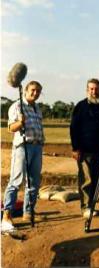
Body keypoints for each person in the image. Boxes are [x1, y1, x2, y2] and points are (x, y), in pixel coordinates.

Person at [2, 81, 45, 230]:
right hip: (22, 147)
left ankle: (28, 212)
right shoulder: (17, 106)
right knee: (16, 181)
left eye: (38, 91)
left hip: (37, 147)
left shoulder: (37, 108)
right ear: (26, 90)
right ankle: (7, 215)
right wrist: (20, 122)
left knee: (33, 183)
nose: (35, 93)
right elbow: (10, 128)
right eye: (33, 90)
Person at [70, 78, 99, 219]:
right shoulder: (81, 106)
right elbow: (74, 128)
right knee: (86, 180)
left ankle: (92, 206)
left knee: (96, 179)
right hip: (84, 150)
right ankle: (85, 208)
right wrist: (75, 148)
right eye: (91, 89)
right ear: (87, 90)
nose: (94, 92)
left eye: (96, 89)